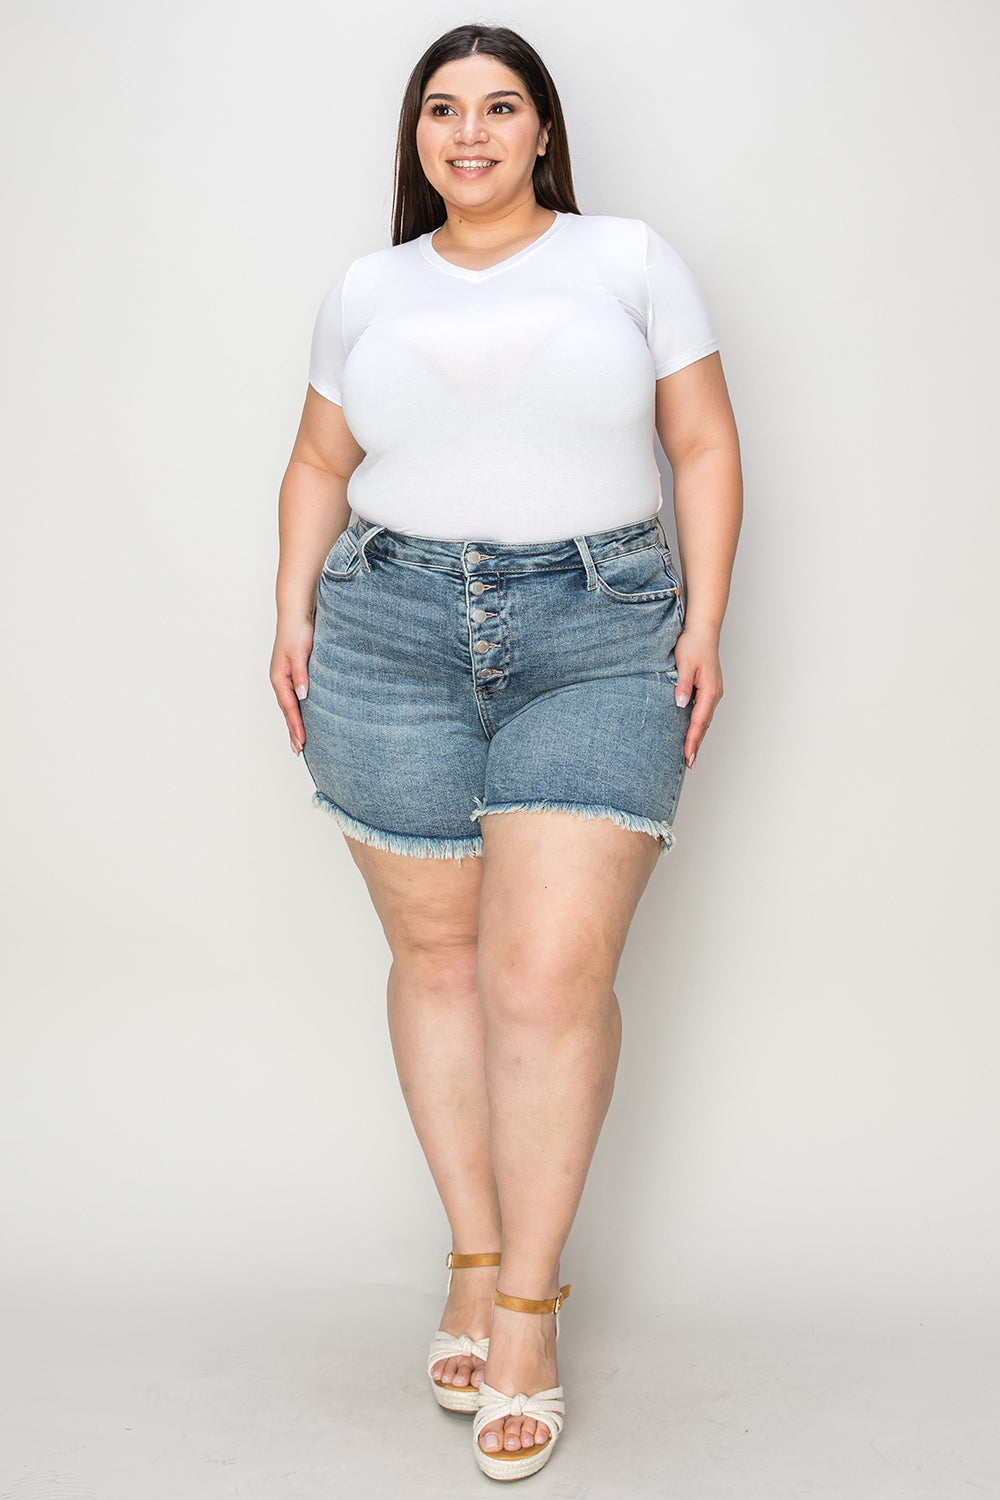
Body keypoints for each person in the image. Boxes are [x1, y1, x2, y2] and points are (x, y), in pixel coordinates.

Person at [269, 21, 742, 1483]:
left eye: (499, 107)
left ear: (542, 132)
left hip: (598, 628)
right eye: (441, 110)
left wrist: (705, 623)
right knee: (442, 967)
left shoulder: (630, 261)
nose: (468, 132)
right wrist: (287, 613)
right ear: (417, 140)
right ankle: (473, 1257)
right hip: (388, 629)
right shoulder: (369, 289)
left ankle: (528, 1309)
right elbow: (318, 462)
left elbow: (705, 445)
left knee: (548, 978)